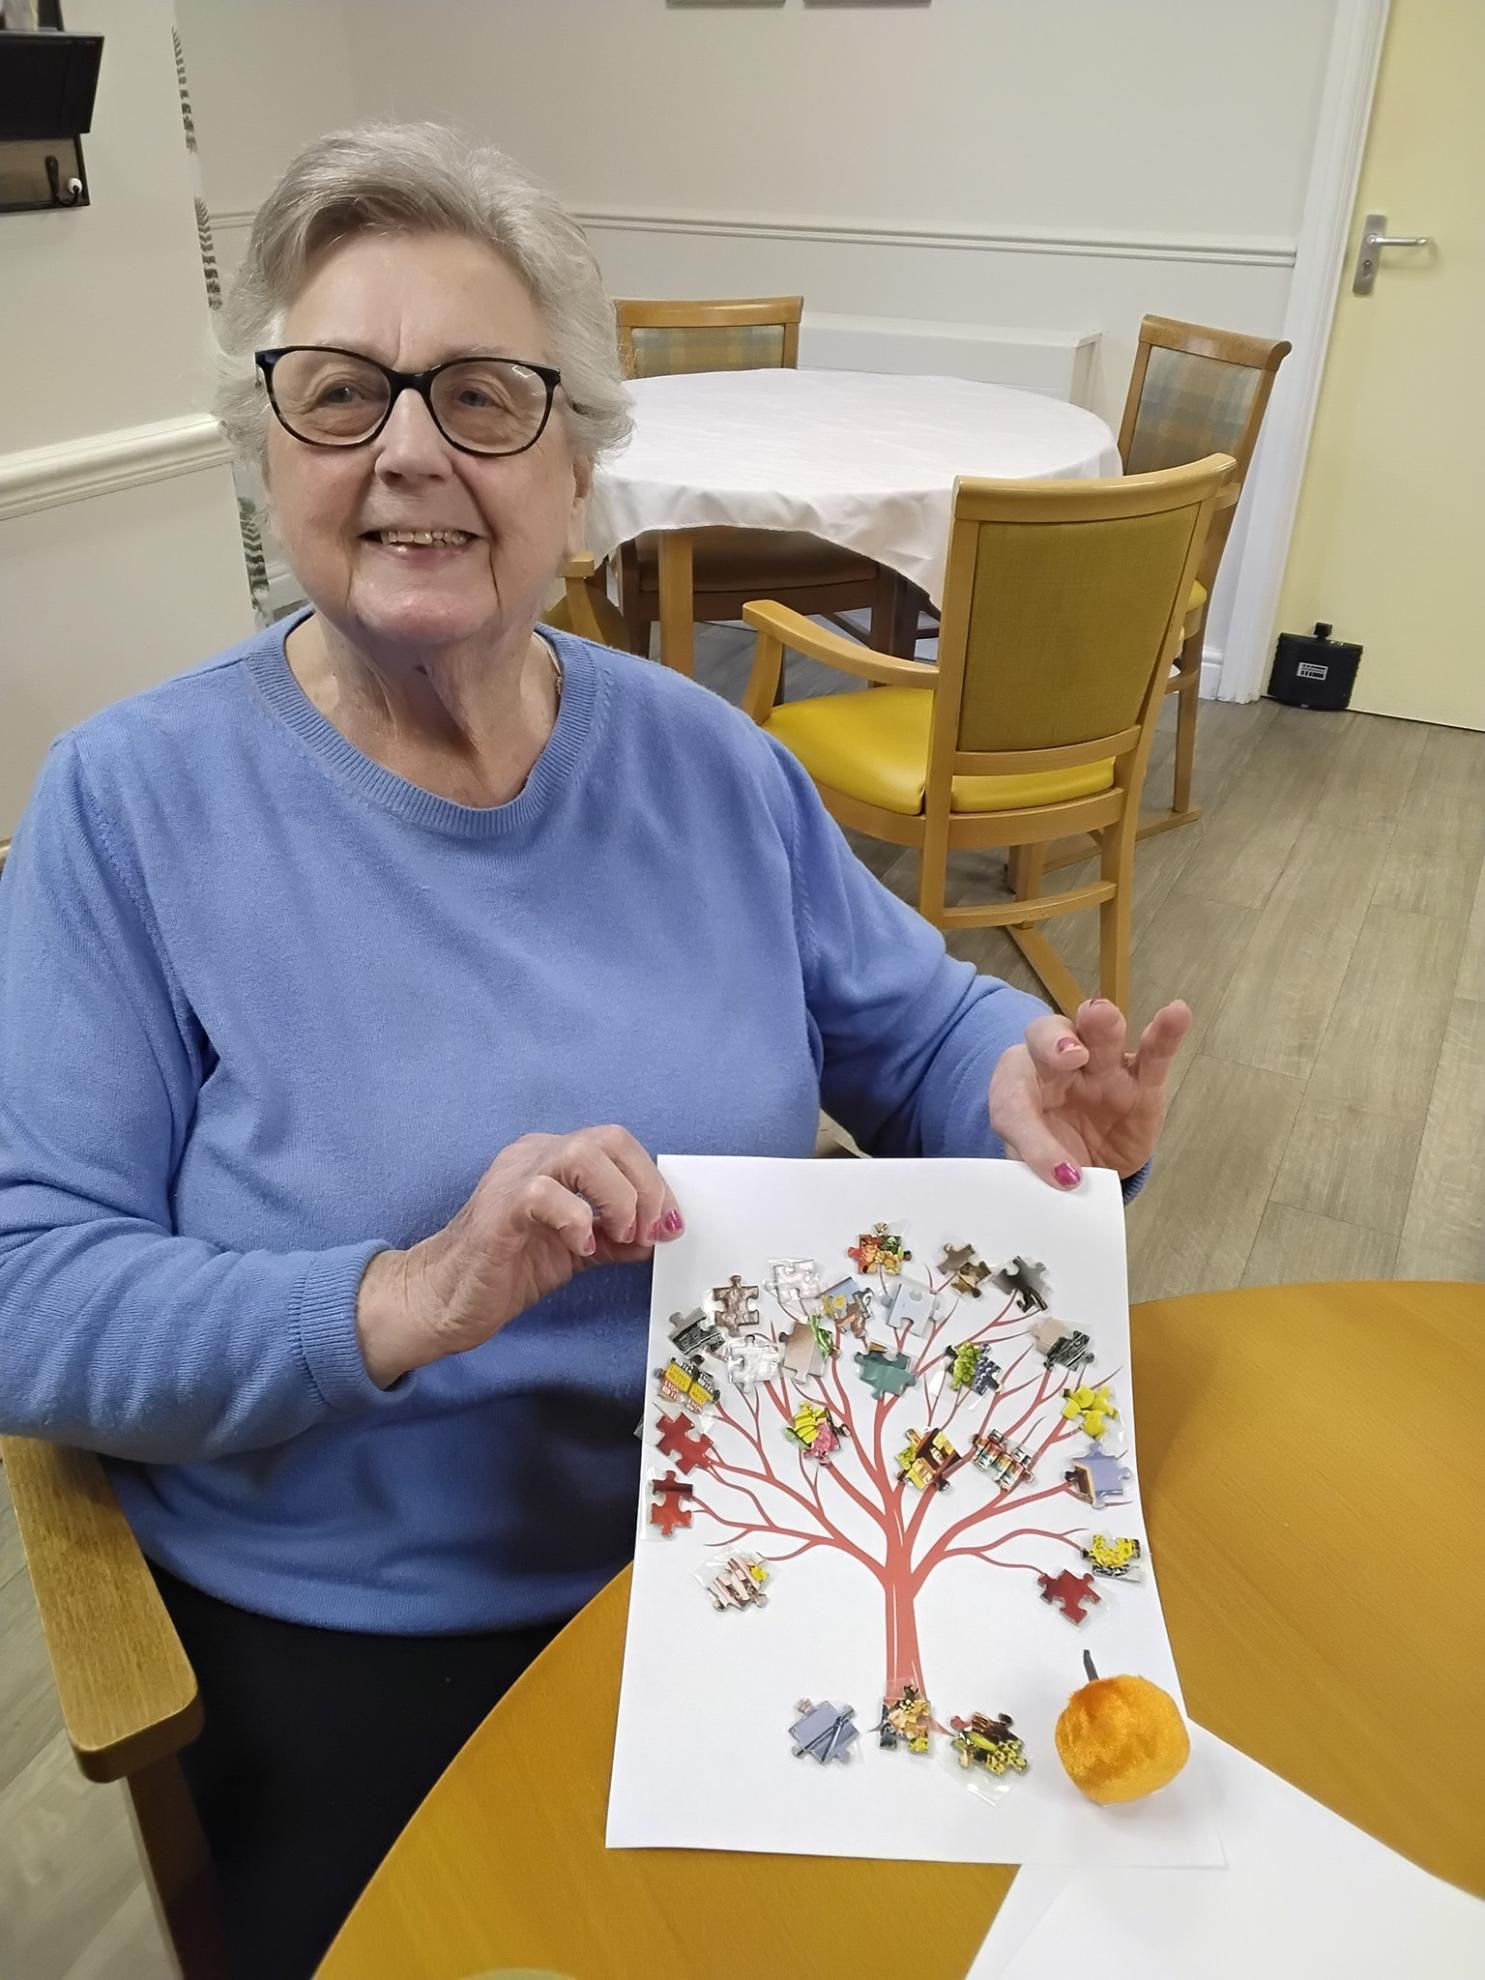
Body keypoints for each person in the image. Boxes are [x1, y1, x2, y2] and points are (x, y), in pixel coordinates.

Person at [0, 123, 1190, 1977]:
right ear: (273, 457)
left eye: (481, 397)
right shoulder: (131, 805)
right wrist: (404, 1294)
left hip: (767, 1558)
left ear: (575, 466)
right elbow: (33, 1299)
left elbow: (916, 1016)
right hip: (380, 1628)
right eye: (340, 396)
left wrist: (1019, 1079)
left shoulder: (709, 759)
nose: (409, 449)